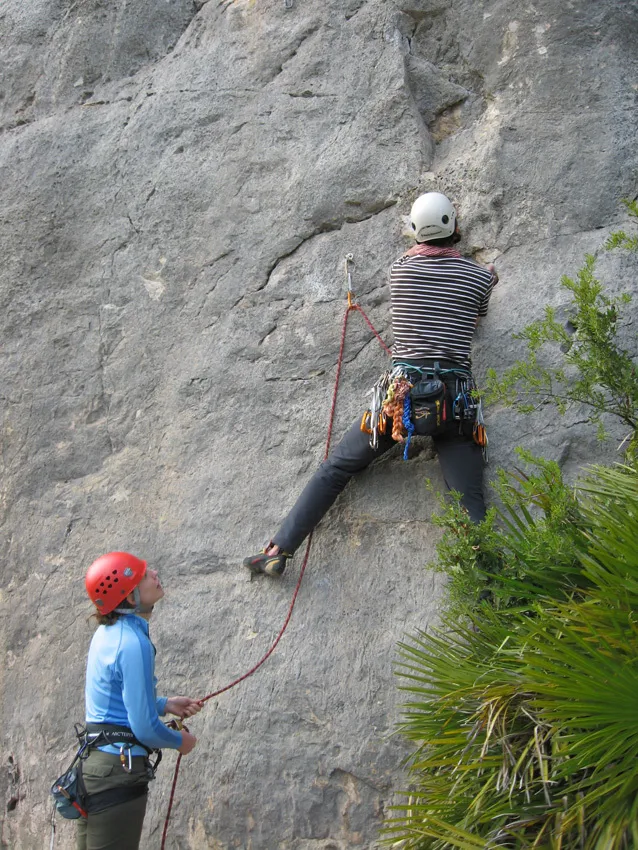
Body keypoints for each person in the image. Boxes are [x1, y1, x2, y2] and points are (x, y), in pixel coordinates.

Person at [244, 192, 498, 578]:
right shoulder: (482, 278)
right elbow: (477, 320)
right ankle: (488, 603)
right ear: (454, 226)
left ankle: (278, 549)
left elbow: (416, 260)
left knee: (336, 467)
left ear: (415, 231)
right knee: (469, 504)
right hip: (455, 403)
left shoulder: (400, 270)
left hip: (402, 401)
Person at [78, 551, 201, 850]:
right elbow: (144, 729)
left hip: (94, 765)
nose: (155, 574)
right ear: (130, 598)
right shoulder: (133, 644)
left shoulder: (108, 633)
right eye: (145, 575)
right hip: (117, 770)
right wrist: (178, 741)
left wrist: (164, 704)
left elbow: (115, 699)